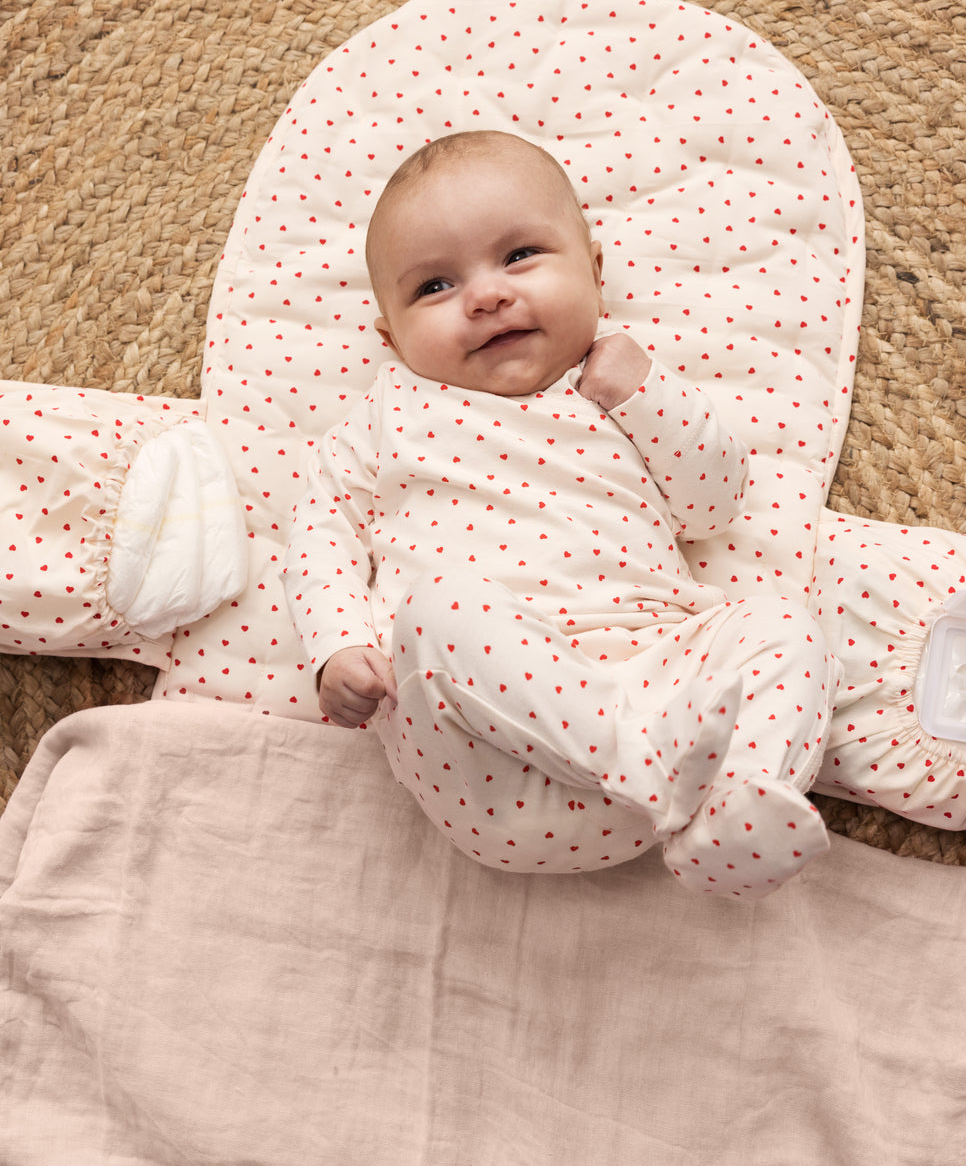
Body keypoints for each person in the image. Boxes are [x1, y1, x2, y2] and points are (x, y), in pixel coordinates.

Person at [282, 130, 840, 896]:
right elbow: (320, 533)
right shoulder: (388, 414)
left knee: (787, 628)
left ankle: (736, 800)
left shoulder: (620, 385)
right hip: (483, 758)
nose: (485, 295)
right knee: (442, 606)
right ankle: (660, 767)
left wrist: (646, 394)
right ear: (391, 336)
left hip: (652, 676)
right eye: (434, 288)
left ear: (595, 274)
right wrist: (336, 645)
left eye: (518, 257)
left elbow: (714, 504)